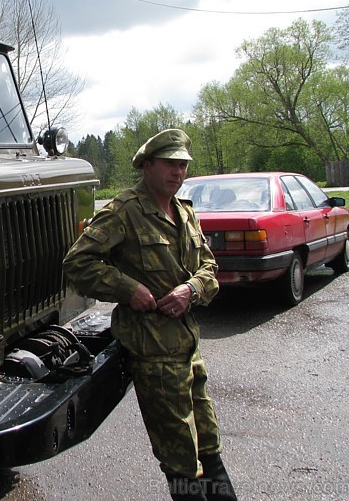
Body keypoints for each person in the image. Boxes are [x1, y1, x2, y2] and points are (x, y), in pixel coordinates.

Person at [63, 129, 237, 501]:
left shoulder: (185, 212)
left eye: (183, 165)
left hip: (190, 348)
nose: (178, 173)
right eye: (171, 164)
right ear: (147, 166)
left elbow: (208, 266)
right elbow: (78, 263)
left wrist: (191, 290)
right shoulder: (125, 211)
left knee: (210, 446)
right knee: (182, 463)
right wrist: (128, 289)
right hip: (154, 356)